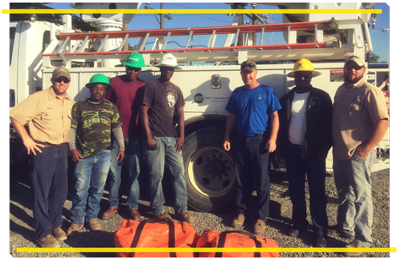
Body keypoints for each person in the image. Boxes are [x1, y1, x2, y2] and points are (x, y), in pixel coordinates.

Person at [329, 56, 389, 256]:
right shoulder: (341, 90)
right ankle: (345, 228)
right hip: (340, 151)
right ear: (344, 69)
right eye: (349, 67)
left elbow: (382, 122)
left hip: (358, 154)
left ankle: (363, 241)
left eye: (356, 67)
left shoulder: (370, 91)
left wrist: (367, 147)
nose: (352, 70)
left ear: (364, 69)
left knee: (362, 197)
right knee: (344, 192)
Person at [9, 67, 74, 247]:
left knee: (60, 191)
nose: (62, 82)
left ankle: (55, 224)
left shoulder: (69, 101)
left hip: (62, 150)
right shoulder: (39, 98)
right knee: (41, 193)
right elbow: (15, 116)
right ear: (52, 80)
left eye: (65, 80)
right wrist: (27, 139)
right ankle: (42, 233)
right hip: (43, 151)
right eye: (59, 79)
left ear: (69, 82)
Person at [274, 59, 332, 247]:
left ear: (311, 76)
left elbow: (328, 127)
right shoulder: (286, 99)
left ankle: (320, 231)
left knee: (317, 192)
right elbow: (280, 126)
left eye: (306, 75)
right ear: (295, 78)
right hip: (292, 152)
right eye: (299, 75)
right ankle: (299, 224)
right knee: (296, 190)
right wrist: (278, 148)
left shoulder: (321, 98)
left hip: (314, 153)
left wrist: (324, 149)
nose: (302, 78)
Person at [223, 60, 281, 234]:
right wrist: (226, 136)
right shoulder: (237, 93)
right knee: (241, 180)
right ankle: (241, 213)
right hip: (240, 141)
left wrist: (273, 138)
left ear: (256, 73)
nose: (247, 75)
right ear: (240, 74)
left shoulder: (266, 91)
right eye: (244, 72)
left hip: (260, 141)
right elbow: (231, 117)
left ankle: (261, 218)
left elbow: (275, 117)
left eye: (250, 72)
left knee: (262, 181)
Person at [67, 74, 125, 235]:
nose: (98, 91)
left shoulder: (111, 107)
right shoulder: (79, 106)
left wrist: (122, 147)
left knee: (98, 188)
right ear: (90, 89)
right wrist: (72, 148)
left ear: (106, 90)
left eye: (102, 88)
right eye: (95, 87)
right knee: (80, 188)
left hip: (104, 154)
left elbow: (116, 128)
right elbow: (72, 129)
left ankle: (91, 218)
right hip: (83, 154)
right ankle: (77, 220)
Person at [140, 53, 194, 224]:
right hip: (155, 138)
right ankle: (157, 209)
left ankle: (182, 210)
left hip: (172, 139)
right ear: (161, 69)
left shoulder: (176, 89)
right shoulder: (152, 87)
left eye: (171, 69)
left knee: (179, 173)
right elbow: (143, 112)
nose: (168, 71)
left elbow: (180, 114)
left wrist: (182, 136)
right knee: (157, 175)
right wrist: (148, 136)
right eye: (165, 68)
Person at [102, 52, 147, 220]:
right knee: (115, 172)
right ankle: (113, 204)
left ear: (140, 70)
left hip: (135, 135)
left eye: (135, 69)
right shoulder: (114, 83)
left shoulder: (144, 86)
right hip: (115, 136)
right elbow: (105, 107)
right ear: (125, 66)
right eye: (129, 68)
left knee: (135, 171)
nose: (132, 71)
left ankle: (133, 207)